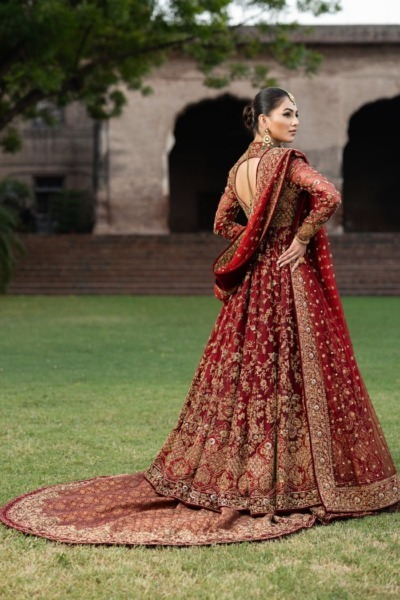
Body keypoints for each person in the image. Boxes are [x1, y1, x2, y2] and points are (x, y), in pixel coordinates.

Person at [1, 88, 399, 546]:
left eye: (297, 114)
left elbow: (220, 222)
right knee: (292, 368)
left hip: (252, 284)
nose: (295, 122)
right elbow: (329, 195)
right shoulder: (287, 163)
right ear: (263, 121)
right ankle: (294, 473)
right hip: (288, 279)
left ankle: (252, 466)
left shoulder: (238, 170)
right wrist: (302, 236)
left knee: (249, 371)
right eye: (287, 114)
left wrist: (252, 240)